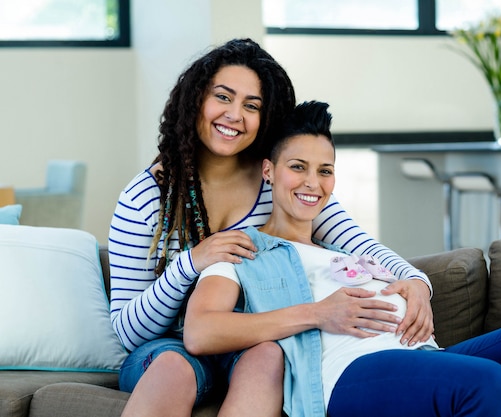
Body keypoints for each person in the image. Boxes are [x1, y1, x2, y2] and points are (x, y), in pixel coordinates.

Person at [185, 100, 501, 417]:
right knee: (488, 382)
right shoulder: (244, 249)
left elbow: (405, 277)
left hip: (428, 358)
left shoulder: (343, 248)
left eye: (325, 170)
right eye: (297, 166)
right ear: (269, 171)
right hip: (349, 375)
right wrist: (318, 314)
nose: (312, 183)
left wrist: (416, 285)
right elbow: (201, 331)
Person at [108, 39, 434, 417]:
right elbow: (127, 331)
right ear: (195, 99)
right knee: (173, 367)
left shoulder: (280, 182)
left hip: (252, 338)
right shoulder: (146, 196)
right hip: (167, 348)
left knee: (268, 356)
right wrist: (191, 263)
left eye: (252, 106)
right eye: (223, 97)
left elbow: (360, 244)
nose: (234, 115)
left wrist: (417, 282)